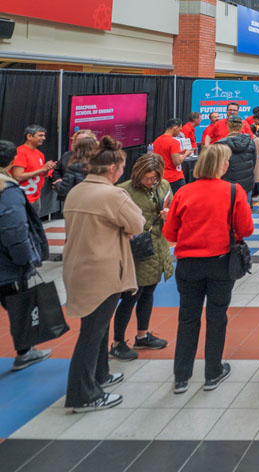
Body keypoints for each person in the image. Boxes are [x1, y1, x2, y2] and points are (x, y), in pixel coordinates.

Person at [162, 143, 254, 394]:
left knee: (188, 317)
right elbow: (245, 230)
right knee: (217, 317)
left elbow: (169, 232)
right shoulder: (234, 191)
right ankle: (212, 372)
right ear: (221, 165)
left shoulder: (183, 193)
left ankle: (181, 376)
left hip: (188, 264)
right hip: (221, 263)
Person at [63, 137, 145, 412]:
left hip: (79, 267)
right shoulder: (113, 195)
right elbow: (138, 223)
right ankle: (83, 395)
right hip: (104, 270)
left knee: (96, 329)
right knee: (91, 334)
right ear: (113, 169)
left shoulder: (77, 191)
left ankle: (100, 375)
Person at [110, 154, 173, 361]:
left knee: (148, 292)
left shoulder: (163, 186)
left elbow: (172, 211)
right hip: (134, 249)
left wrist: (168, 214)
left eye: (153, 178)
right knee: (130, 296)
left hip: (157, 246)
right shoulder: (124, 190)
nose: (150, 182)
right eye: (146, 178)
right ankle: (118, 342)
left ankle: (142, 334)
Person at [0, 139, 51, 371]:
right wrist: (25, 260)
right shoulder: (7, 191)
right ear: (12, 161)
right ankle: (25, 352)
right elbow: (14, 230)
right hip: (7, 265)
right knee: (18, 306)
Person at [10, 125, 56, 206]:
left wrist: (48, 168)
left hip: (36, 198)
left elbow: (43, 176)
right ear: (29, 136)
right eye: (40, 135)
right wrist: (42, 169)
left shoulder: (40, 154)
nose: (44, 138)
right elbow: (18, 176)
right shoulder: (20, 152)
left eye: (44, 135)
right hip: (22, 199)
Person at [51, 134, 97, 208]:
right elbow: (57, 170)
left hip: (77, 202)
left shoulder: (74, 167)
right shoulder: (102, 164)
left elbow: (63, 189)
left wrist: (57, 184)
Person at [218, 116, 257, 201]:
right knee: (244, 211)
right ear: (242, 126)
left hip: (226, 184)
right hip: (247, 183)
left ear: (228, 126)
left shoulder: (220, 144)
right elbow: (253, 162)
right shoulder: (251, 142)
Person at [154, 118, 186, 193]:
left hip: (161, 176)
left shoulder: (157, 140)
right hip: (174, 178)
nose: (180, 132)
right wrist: (186, 154)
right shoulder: (174, 142)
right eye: (179, 129)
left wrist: (180, 152)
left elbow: (164, 153)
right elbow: (177, 162)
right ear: (175, 128)